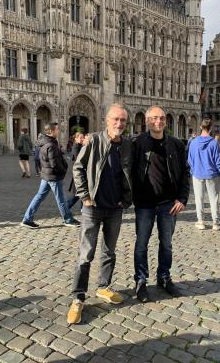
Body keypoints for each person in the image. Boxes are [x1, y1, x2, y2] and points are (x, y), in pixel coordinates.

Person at [67, 104, 132, 325]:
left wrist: (126, 199)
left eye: (122, 120)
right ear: (106, 120)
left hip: (115, 208)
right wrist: (85, 196)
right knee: (86, 255)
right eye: (115, 119)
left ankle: (104, 287)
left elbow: (128, 174)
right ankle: (77, 298)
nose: (119, 124)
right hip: (92, 208)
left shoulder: (126, 146)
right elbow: (78, 167)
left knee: (109, 252)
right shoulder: (94, 140)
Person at [132, 106, 190, 303]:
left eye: (162, 118)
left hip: (168, 204)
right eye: (154, 118)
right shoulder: (137, 143)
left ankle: (164, 278)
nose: (159, 121)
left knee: (166, 244)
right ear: (147, 121)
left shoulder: (176, 144)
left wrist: (182, 199)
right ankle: (140, 281)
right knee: (141, 244)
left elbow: (184, 173)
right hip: (144, 204)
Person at [21, 123, 80, 229]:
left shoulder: (46, 142)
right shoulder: (51, 145)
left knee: (39, 196)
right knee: (61, 198)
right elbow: (55, 164)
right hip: (53, 176)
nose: (59, 131)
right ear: (51, 131)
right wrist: (63, 170)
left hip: (46, 174)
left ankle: (27, 219)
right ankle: (68, 219)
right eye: (57, 129)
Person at [188, 118, 220, 231]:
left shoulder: (193, 142)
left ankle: (201, 221)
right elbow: (218, 160)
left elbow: (190, 159)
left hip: (197, 174)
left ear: (200, 127)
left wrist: (193, 170)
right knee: (214, 199)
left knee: (199, 198)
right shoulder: (214, 143)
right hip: (212, 174)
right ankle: (216, 223)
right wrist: (218, 172)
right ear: (211, 128)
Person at [67, 132, 84, 209]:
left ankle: (84, 211)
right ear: (76, 138)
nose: (82, 139)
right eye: (80, 137)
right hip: (78, 174)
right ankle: (65, 209)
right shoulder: (76, 147)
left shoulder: (81, 146)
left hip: (81, 173)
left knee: (82, 194)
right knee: (77, 195)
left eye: (82, 137)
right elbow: (78, 160)